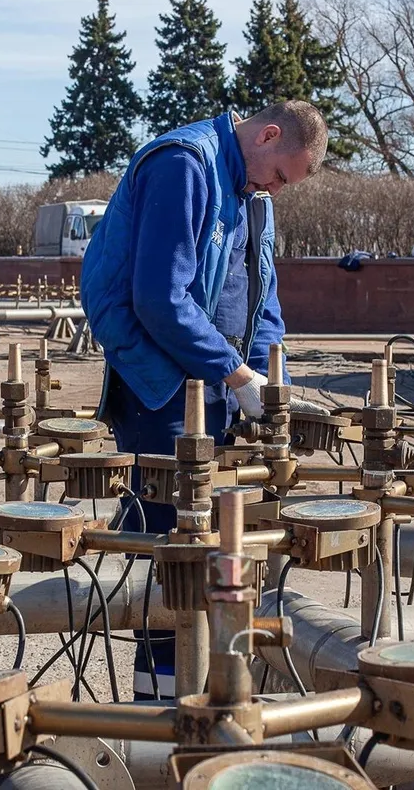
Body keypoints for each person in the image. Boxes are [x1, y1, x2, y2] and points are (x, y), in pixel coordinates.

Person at [80, 100, 330, 698]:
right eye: (279, 174)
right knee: (174, 548)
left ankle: (216, 687)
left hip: (216, 382)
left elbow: (261, 299)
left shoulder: (254, 194)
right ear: (268, 134)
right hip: (158, 386)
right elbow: (158, 299)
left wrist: (271, 383)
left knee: (222, 542)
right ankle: (158, 705)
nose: (274, 188)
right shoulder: (184, 164)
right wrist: (238, 377)